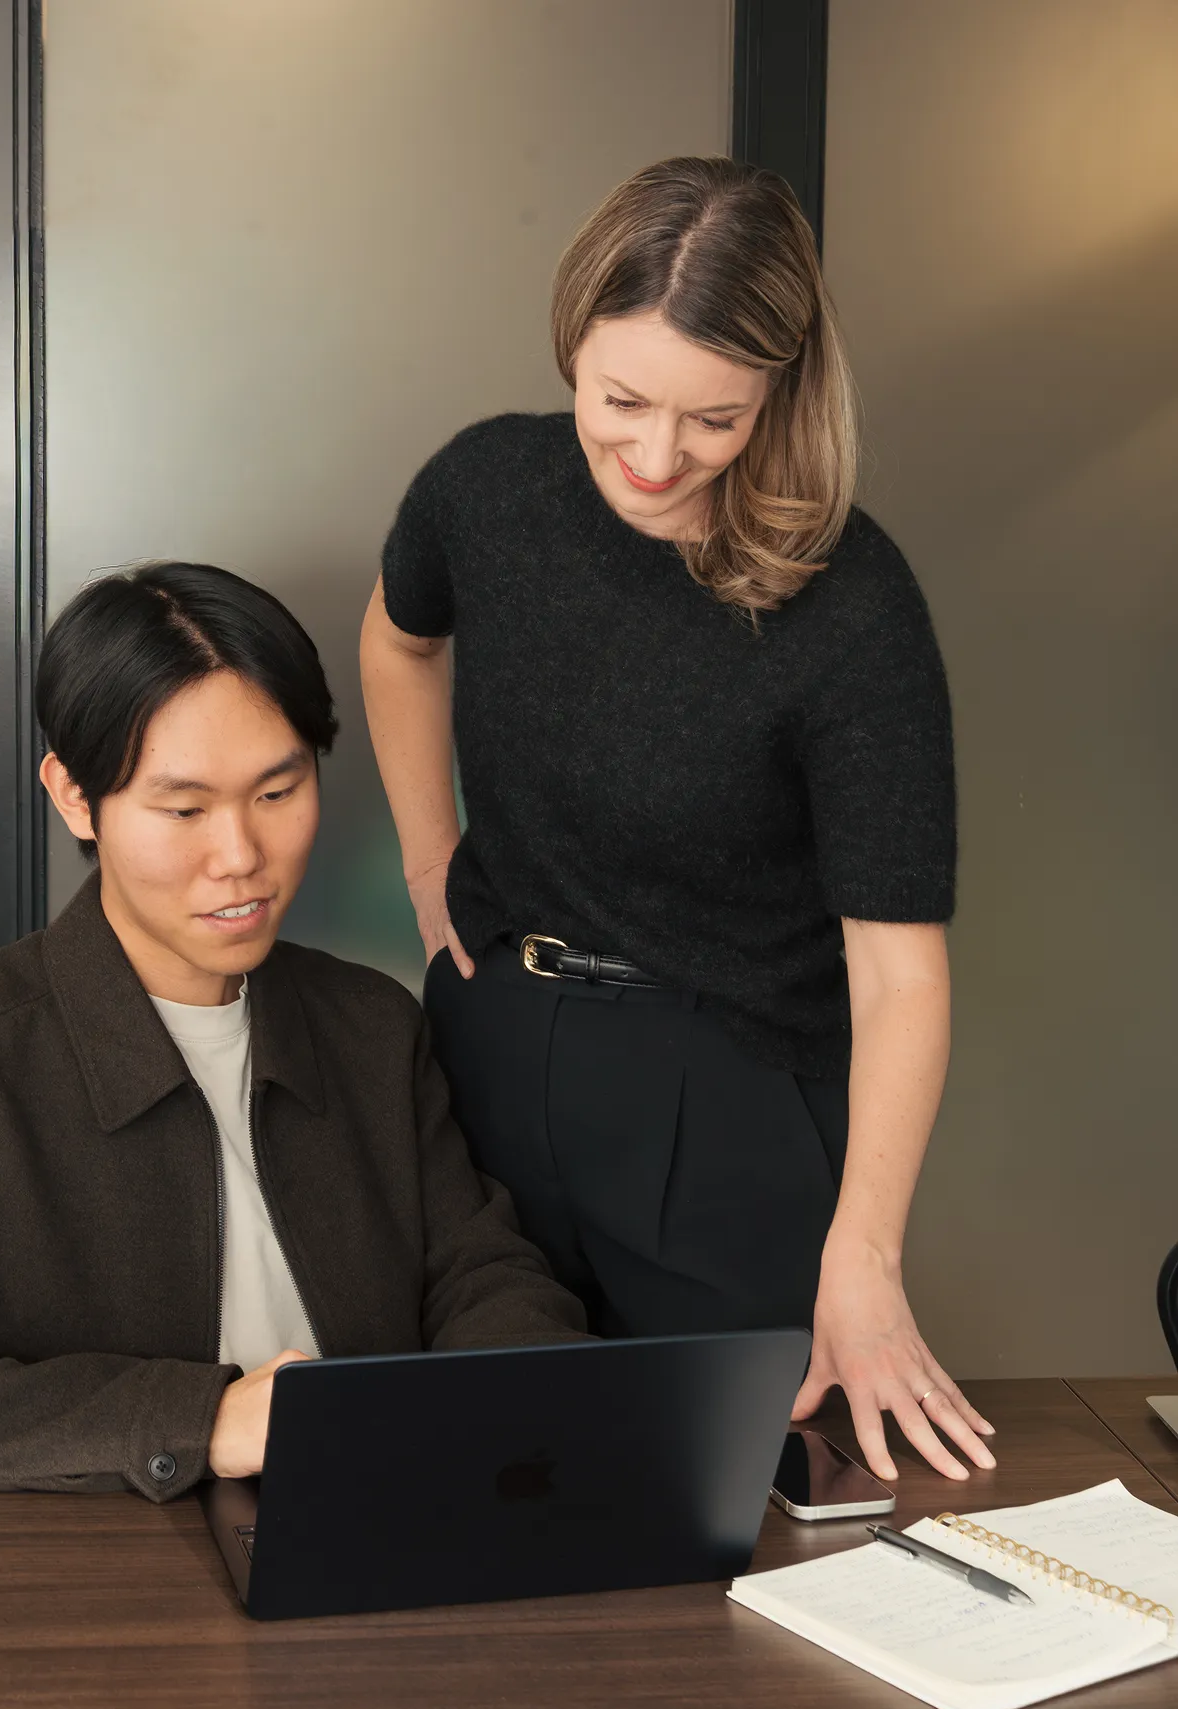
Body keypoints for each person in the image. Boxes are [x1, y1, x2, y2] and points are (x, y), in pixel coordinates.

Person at [360, 156, 994, 1486]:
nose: (653, 460)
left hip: (725, 1089)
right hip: (491, 1039)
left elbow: (897, 970)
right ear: (570, 350)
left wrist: (861, 1258)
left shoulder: (851, 605)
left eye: (713, 419)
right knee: (487, 1486)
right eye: (620, 400)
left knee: (731, 1510)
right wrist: (431, 862)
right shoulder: (485, 490)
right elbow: (397, 638)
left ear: (779, 387)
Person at [0, 562, 585, 1501]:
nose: (241, 857)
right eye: (184, 809)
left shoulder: (369, 1026)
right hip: (99, 1587)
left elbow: (480, 1272)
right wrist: (202, 1420)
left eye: (278, 793)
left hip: (380, 1530)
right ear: (76, 796)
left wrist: (531, 1399)